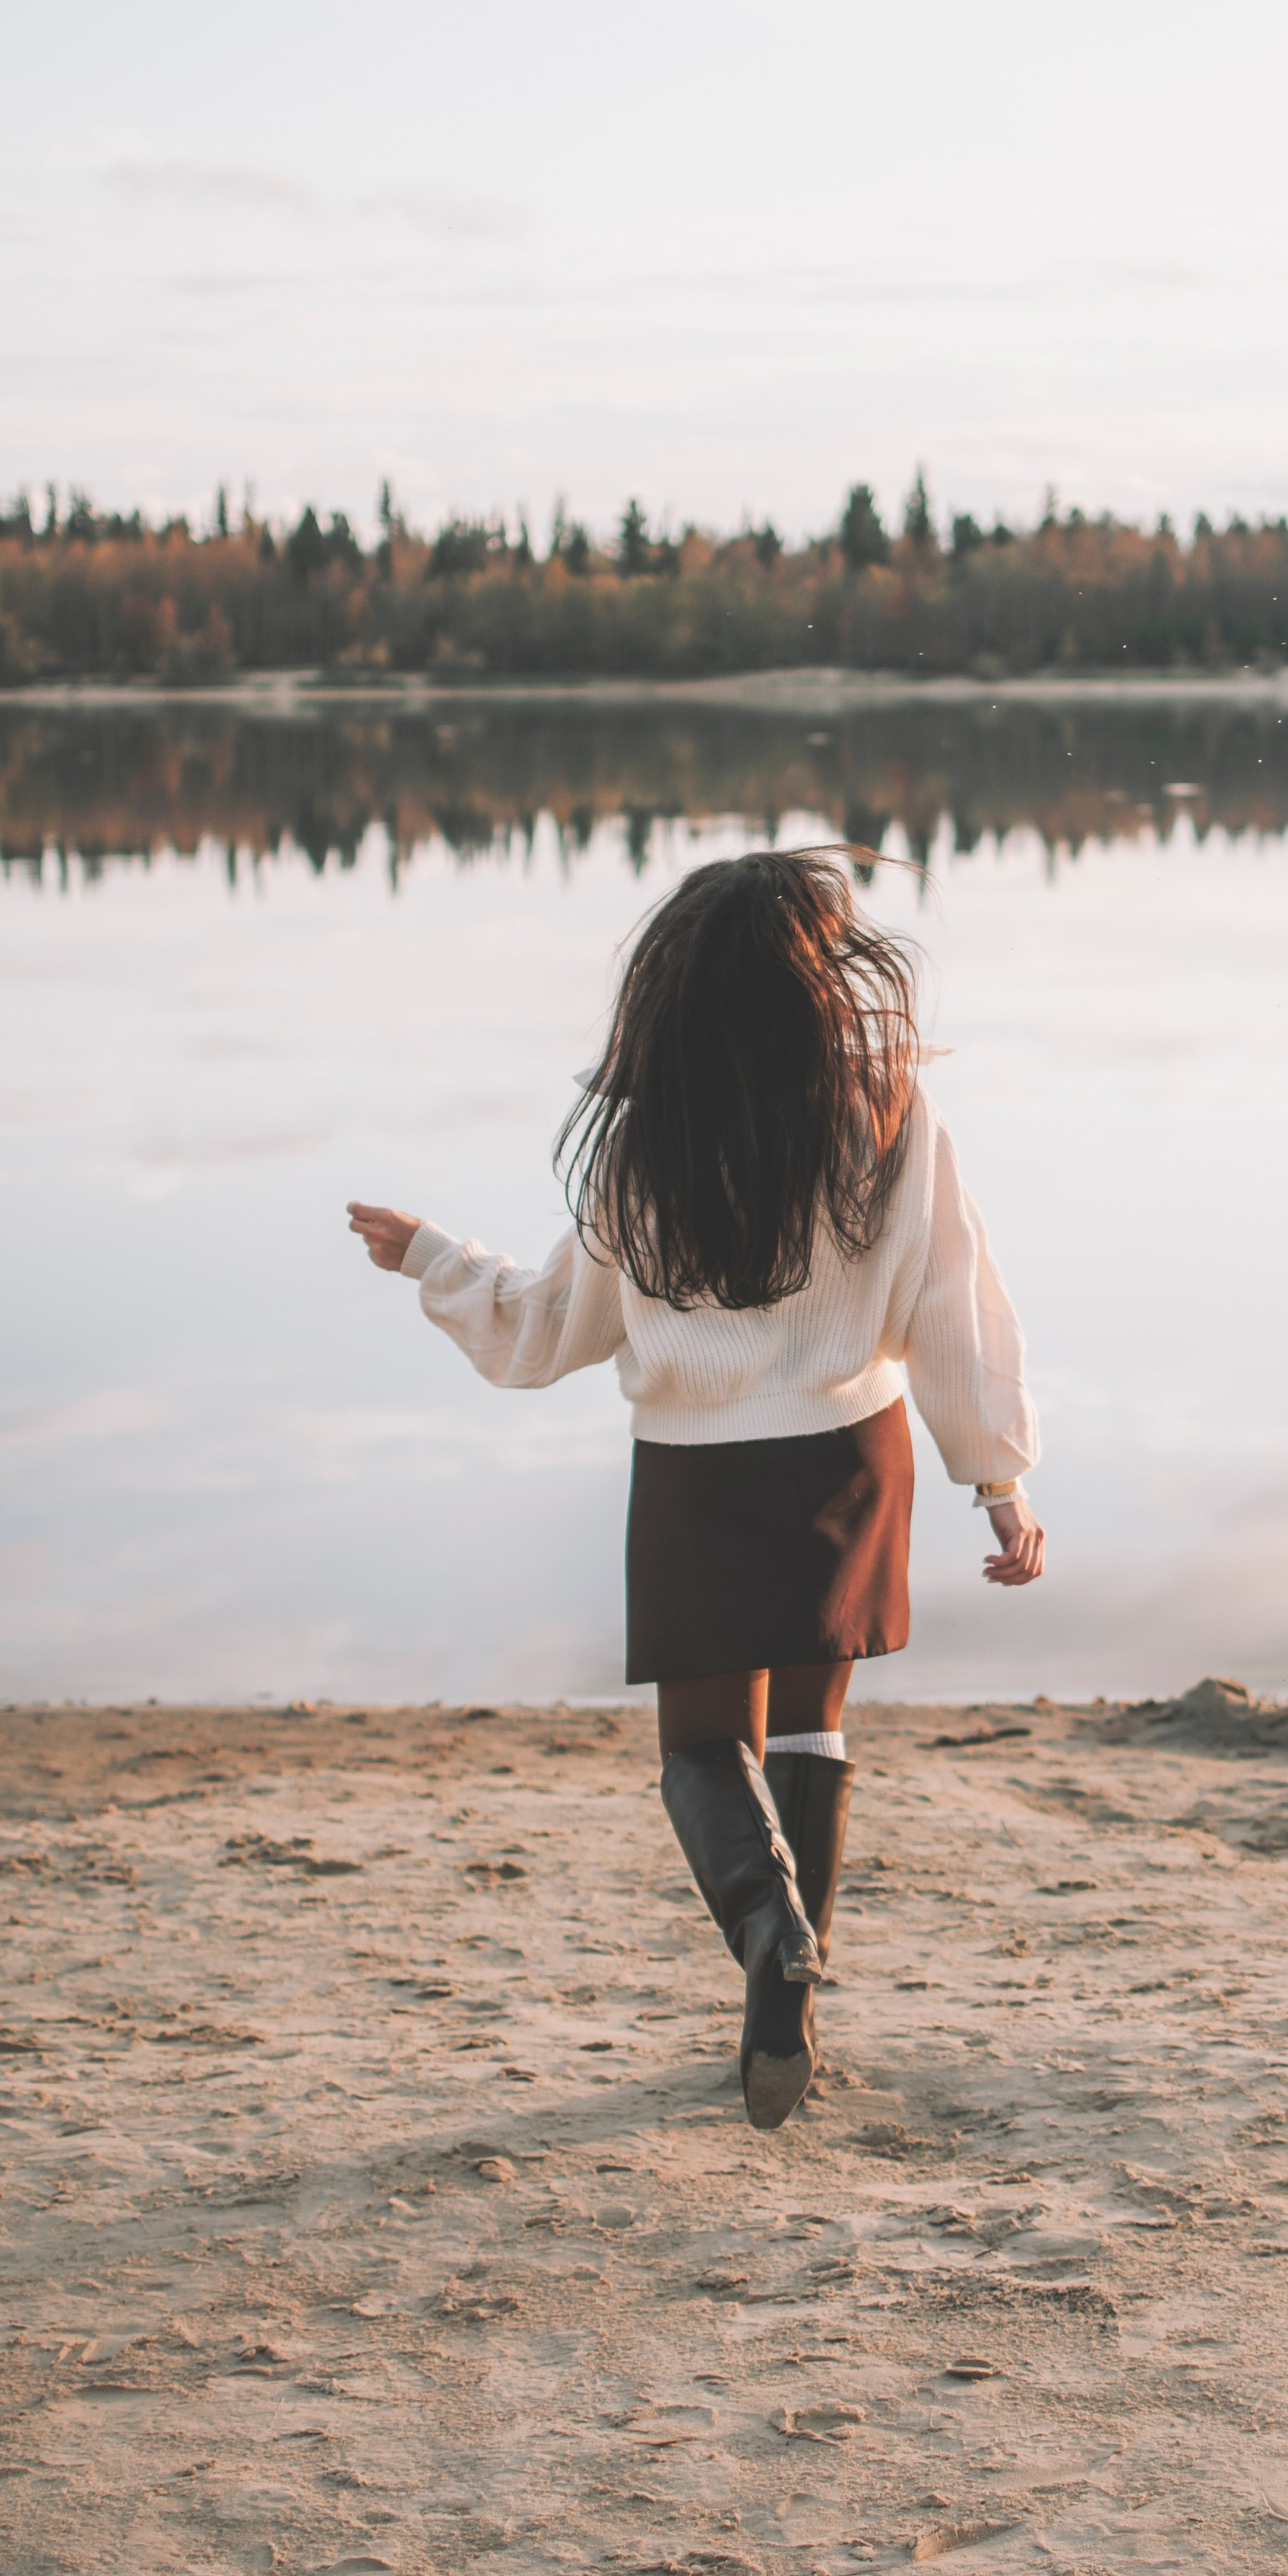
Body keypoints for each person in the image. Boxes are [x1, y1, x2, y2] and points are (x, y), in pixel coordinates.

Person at [347, 848, 1042, 2131]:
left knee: (702, 1752)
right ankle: (787, 2011)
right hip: (850, 1454)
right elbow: (955, 1298)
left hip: (695, 1472)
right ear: (814, 983)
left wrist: (432, 1260)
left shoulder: (644, 1145)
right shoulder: (891, 1113)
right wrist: (994, 1475)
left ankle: (773, 1945)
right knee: (811, 1736)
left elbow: (547, 1328)